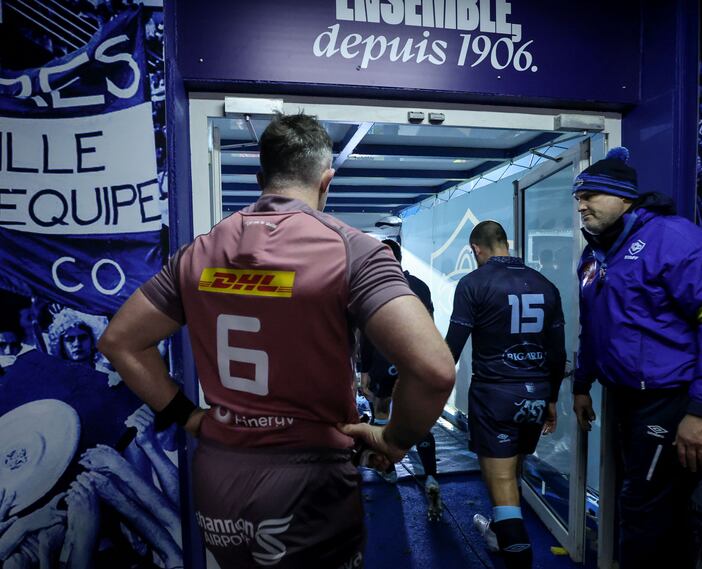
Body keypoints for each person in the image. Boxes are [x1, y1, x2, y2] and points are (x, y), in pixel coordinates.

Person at [98, 113, 455, 569]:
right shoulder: (352, 250)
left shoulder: (197, 254)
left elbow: (120, 343)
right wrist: (395, 437)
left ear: (260, 178)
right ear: (326, 181)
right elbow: (434, 370)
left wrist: (190, 418)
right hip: (310, 479)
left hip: (220, 474)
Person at [570, 147, 702, 569]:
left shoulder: (674, 239)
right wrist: (582, 384)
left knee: (644, 509)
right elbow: (594, 328)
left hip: (671, 400)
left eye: (592, 195)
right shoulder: (596, 255)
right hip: (625, 398)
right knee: (647, 504)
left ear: (625, 199)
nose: (581, 204)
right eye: (578, 198)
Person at [445, 221, 565, 569]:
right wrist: (552, 399)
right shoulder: (546, 285)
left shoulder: (473, 283)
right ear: (505, 244)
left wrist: (427, 388)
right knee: (512, 470)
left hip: (495, 395)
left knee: (500, 480)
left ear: (476, 249)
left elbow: (451, 348)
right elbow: (557, 353)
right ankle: (500, 531)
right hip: (537, 394)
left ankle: (515, 551)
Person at [360, 239, 442, 521]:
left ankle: (389, 471)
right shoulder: (420, 286)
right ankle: (430, 476)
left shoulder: (372, 286)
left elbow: (367, 333)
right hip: (415, 363)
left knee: (381, 418)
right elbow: (430, 325)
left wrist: (364, 370)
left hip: (384, 362)